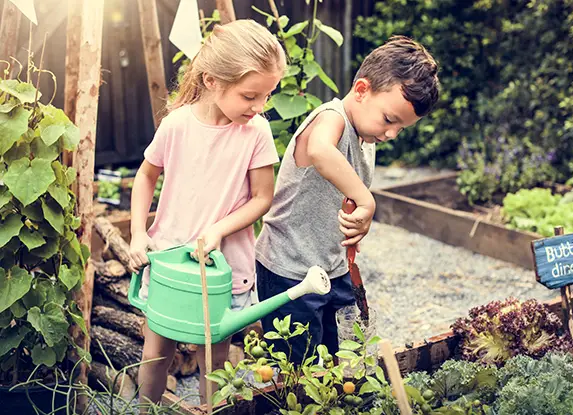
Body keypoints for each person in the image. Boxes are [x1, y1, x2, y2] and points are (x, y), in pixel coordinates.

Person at [127, 19, 286, 410]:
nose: (259, 107)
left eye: (267, 96)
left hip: (223, 267)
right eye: (250, 96)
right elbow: (146, 176)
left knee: (213, 363)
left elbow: (262, 198)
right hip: (167, 259)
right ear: (213, 81)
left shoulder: (257, 132)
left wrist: (219, 228)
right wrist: (137, 233)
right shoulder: (177, 124)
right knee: (155, 354)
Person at [255, 36, 440, 364]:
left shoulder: (366, 137)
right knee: (295, 370)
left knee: (332, 359)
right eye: (389, 119)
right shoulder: (332, 118)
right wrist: (366, 201)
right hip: (290, 269)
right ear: (361, 90)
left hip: (331, 267)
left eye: (402, 127)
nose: (392, 134)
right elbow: (321, 151)